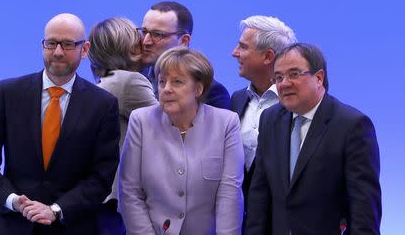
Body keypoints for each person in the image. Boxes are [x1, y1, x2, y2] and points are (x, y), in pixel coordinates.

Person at [0, 13, 120, 234]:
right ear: (43, 44)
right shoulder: (9, 92)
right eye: (51, 43)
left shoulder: (103, 104)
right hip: (10, 225)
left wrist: (57, 210)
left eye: (68, 44)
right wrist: (12, 200)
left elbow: (101, 178)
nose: (58, 52)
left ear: (85, 49)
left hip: (69, 226)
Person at [245, 43, 381, 235]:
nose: (284, 83)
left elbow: (364, 210)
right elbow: (260, 194)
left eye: (294, 74)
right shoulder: (270, 119)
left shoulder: (353, 126)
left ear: (319, 78)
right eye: (278, 77)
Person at [119, 47, 244, 234]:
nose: (167, 89)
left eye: (177, 82)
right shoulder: (141, 121)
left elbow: (230, 194)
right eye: (162, 82)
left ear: (199, 88)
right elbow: (130, 192)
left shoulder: (226, 123)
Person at [88, 17, 158, 235]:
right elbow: (171, 127)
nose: (144, 40)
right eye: (137, 34)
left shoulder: (106, 81)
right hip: (119, 203)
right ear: (125, 45)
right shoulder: (129, 82)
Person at [230, 15, 296, 205]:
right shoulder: (237, 100)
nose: (234, 53)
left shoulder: (296, 106)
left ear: (268, 56)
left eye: (243, 47)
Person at [140, 1, 230, 109]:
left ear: (184, 41)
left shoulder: (212, 93)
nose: (146, 41)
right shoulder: (135, 77)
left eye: (157, 35)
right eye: (144, 32)